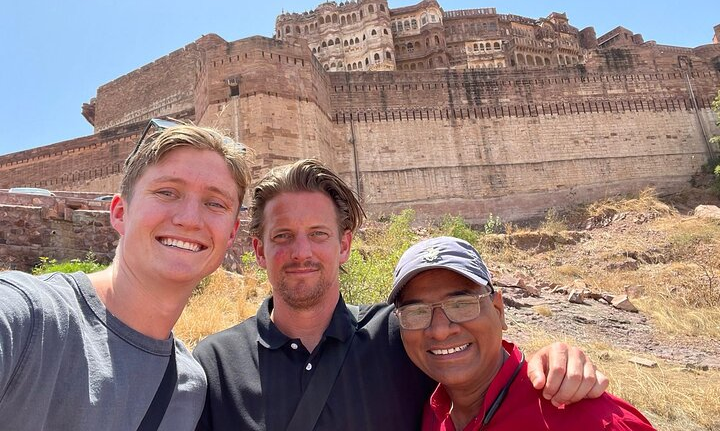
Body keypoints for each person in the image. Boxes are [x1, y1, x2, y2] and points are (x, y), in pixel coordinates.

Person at [194, 158, 609, 431]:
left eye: (318, 234)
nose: (301, 252)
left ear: (344, 246)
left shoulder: (401, 336)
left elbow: (484, 366)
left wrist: (551, 361)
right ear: (258, 250)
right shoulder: (214, 364)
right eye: (283, 236)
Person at [0, 121, 251, 430]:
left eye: (214, 203)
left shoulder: (188, 389)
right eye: (167, 192)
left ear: (231, 234)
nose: (189, 219)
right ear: (119, 212)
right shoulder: (27, 321)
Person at [390, 236, 656, 430]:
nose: (439, 330)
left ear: (498, 310)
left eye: (461, 305)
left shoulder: (588, 419)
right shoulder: (431, 412)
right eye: (417, 312)